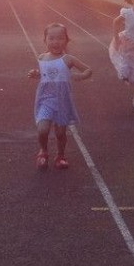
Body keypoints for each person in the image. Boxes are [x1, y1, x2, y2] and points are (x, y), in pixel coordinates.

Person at [27, 22, 92, 170]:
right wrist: (35, 74)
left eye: (60, 38)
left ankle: (61, 155)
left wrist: (81, 76)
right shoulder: (42, 58)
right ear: (45, 40)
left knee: (61, 132)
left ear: (66, 40)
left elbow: (88, 69)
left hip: (62, 100)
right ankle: (43, 151)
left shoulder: (68, 59)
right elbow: (44, 75)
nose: (56, 42)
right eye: (51, 38)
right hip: (45, 99)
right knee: (42, 129)